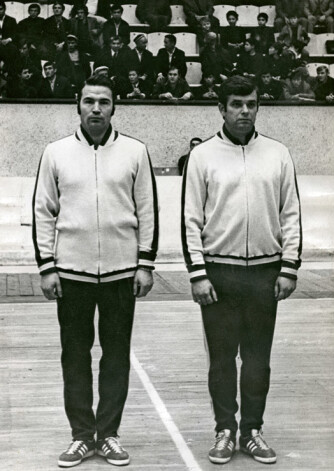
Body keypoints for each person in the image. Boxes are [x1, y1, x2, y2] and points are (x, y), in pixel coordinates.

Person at [32, 74, 159, 468]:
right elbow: (43, 212)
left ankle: (109, 435)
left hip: (122, 273)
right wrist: (47, 267)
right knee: (75, 355)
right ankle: (81, 436)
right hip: (71, 273)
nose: (96, 109)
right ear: (77, 104)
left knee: (116, 355)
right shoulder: (55, 153)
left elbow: (148, 211)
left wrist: (146, 263)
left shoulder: (136, 152)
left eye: (104, 102)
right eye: (89, 101)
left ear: (114, 106)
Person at [181, 75, 302, 465]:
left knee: (257, 359)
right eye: (236, 104)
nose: (244, 111)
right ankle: (225, 430)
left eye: (250, 104)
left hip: (265, 274)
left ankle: (252, 430)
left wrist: (289, 267)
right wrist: (198, 273)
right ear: (222, 108)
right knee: (221, 359)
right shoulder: (202, 157)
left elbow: (292, 215)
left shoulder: (278, 153)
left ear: (258, 106)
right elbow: (190, 220)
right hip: (219, 273)